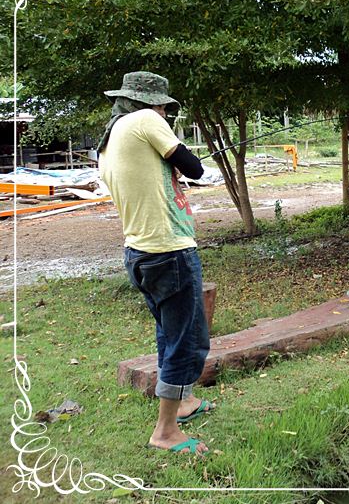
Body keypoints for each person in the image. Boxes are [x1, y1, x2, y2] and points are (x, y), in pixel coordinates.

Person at [98, 71, 213, 456]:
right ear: (152, 103)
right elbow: (194, 167)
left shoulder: (110, 140)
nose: (165, 112)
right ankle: (165, 432)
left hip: (140, 252)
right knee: (188, 342)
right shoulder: (146, 120)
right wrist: (181, 161)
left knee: (169, 332)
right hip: (168, 252)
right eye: (164, 106)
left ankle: (182, 402)